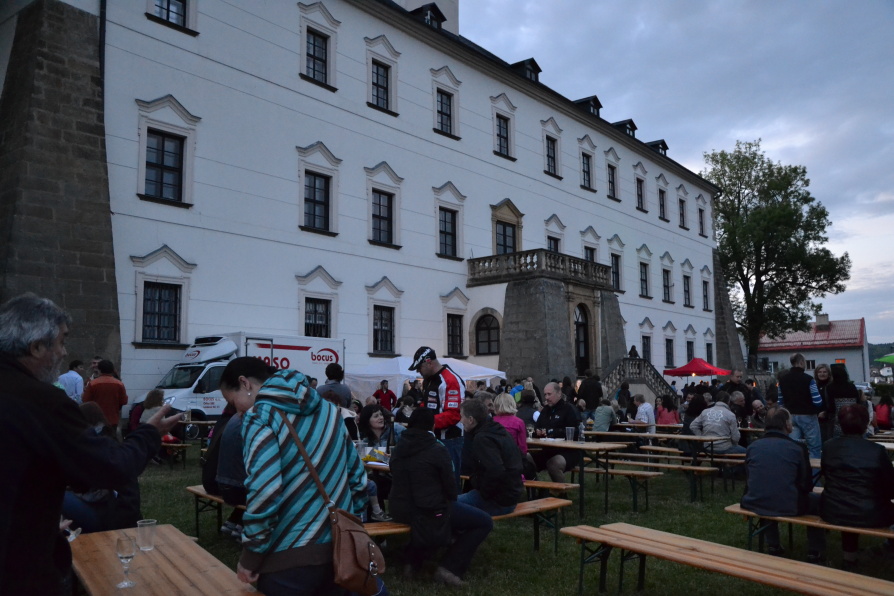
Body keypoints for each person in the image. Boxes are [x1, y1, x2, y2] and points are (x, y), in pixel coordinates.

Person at [0, 293, 179, 595]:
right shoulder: (41, 401)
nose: (64, 352)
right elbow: (110, 467)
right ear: (37, 346)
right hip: (17, 570)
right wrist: (150, 433)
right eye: (61, 342)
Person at [219, 357, 370, 596]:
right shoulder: (330, 411)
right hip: (341, 552)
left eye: (232, 401)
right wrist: (352, 525)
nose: (236, 411)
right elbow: (358, 478)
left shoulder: (259, 416)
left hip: (287, 557)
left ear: (245, 383)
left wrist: (252, 555)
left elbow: (265, 490)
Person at [389, 408, 493, 588]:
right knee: (484, 521)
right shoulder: (437, 449)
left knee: (438, 517)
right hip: (429, 509)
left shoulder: (399, 448)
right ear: (432, 426)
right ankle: (450, 567)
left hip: (399, 509)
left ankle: (413, 561)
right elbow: (451, 487)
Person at [740, 406, 825, 562]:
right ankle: (815, 550)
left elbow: (750, 476)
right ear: (787, 424)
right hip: (788, 504)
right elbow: (806, 485)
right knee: (818, 501)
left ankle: (773, 544)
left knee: (768, 492)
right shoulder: (797, 448)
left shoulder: (753, 447)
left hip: (754, 500)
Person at [821, 404, 894, 567]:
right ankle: (890, 547)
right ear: (865, 423)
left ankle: (849, 558)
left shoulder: (828, 446)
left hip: (833, 509)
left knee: (848, 502)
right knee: (854, 503)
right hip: (869, 511)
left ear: (841, 423)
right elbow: (890, 487)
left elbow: (825, 474)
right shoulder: (877, 451)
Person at [61, 402, 145, 534]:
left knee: (59, 496)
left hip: (109, 517)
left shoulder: (97, 448)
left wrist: (73, 485)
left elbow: (97, 493)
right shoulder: (110, 442)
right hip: (120, 514)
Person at [408, 346, 465, 487]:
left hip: (449, 440)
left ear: (428, 362)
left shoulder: (450, 380)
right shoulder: (428, 380)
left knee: (449, 484)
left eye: (419, 368)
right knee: (432, 482)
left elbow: (454, 415)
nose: (418, 372)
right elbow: (427, 405)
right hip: (431, 438)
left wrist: (425, 423)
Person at [459, 399, 523, 515]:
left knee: (448, 505)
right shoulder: (498, 431)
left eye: (462, 417)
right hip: (511, 495)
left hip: (497, 501)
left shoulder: (483, 438)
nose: (461, 421)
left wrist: (484, 493)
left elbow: (495, 470)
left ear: (471, 420)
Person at [532, 382, 582, 482]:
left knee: (553, 463)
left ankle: (560, 490)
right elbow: (536, 429)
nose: (546, 397)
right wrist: (538, 433)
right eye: (545, 394)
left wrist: (553, 432)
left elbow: (575, 432)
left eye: (549, 394)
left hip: (568, 451)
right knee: (525, 458)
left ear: (559, 393)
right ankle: (536, 487)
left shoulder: (569, 409)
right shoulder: (545, 411)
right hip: (547, 450)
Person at [777, 353, 823, 460]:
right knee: (814, 447)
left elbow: (780, 402)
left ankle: (794, 468)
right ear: (802, 362)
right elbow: (818, 401)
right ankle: (814, 469)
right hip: (808, 416)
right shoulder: (809, 379)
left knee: (793, 446)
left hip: (790, 416)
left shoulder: (782, 380)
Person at [82, 359, 128, 427]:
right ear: (112, 370)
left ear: (99, 369)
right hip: (113, 419)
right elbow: (124, 401)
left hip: (96, 420)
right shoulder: (119, 384)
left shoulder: (92, 384)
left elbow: (85, 400)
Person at [826, 363, 860, 438]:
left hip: (837, 420)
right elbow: (858, 402)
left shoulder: (830, 387)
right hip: (852, 419)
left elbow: (830, 406)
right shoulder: (852, 386)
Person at [813, 363, 833, 442]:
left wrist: (826, 412)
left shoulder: (831, 386)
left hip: (829, 418)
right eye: (820, 372)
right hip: (816, 418)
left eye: (824, 372)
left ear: (828, 374)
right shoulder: (814, 386)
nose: (822, 374)